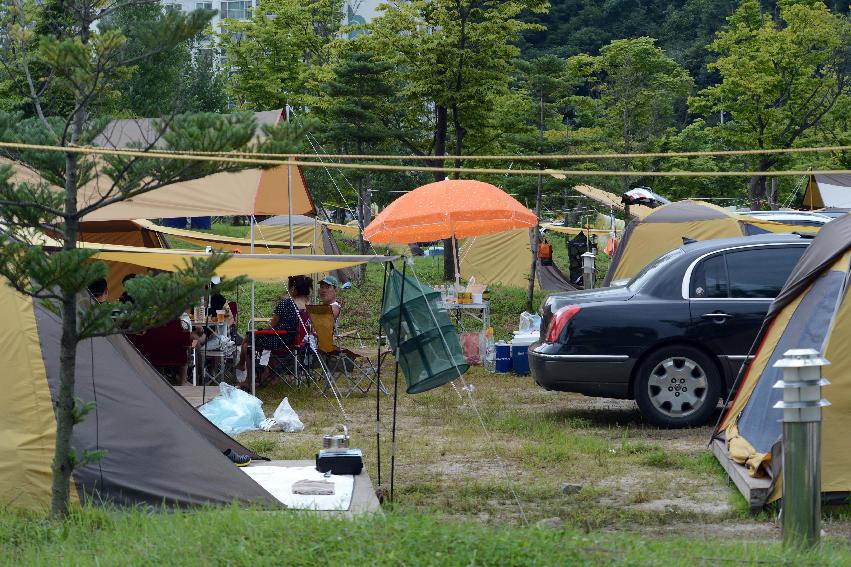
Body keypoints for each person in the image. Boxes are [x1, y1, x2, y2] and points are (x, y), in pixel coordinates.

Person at [235, 275, 314, 385]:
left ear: (293, 289)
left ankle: (248, 379)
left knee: (248, 340)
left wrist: (261, 331)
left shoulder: (286, 303)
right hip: (296, 342)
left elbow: (272, 325)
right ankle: (270, 374)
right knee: (253, 336)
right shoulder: (309, 306)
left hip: (279, 341)